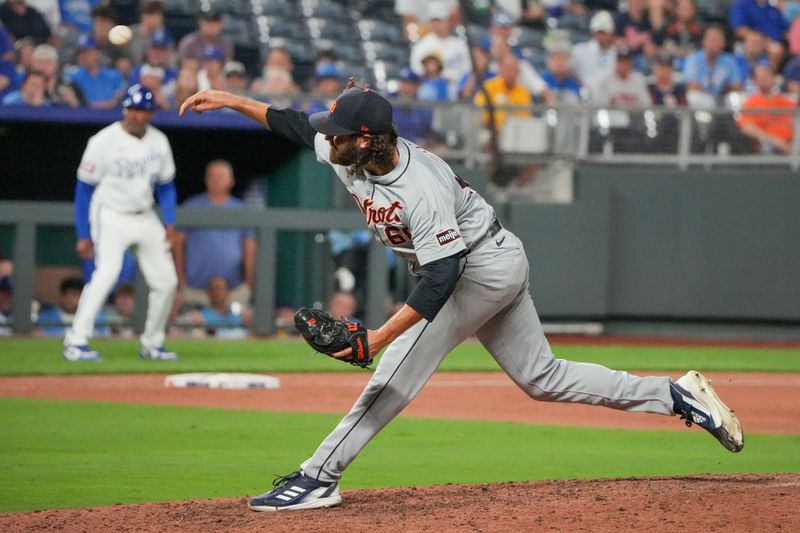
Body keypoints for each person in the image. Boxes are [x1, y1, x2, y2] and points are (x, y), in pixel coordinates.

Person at [179, 79, 744, 512]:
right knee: (542, 378)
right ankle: (676, 396)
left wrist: (376, 337)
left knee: (393, 371)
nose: (330, 137)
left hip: (481, 268)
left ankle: (318, 476)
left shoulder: (419, 187)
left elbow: (442, 277)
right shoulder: (343, 149)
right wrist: (230, 100)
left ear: (369, 139)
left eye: (341, 131)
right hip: (490, 258)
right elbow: (295, 125)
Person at [63, 84, 179, 362]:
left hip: (145, 215)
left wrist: (170, 222)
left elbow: (166, 187)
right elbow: (84, 190)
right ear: (125, 109)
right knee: (106, 274)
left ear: (150, 113)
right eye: (133, 109)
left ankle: (152, 343)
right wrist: (83, 233)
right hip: (111, 214)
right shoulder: (102, 141)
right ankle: (76, 341)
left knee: (167, 281)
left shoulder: (159, 141)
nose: (137, 115)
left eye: (143, 111)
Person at [175, 159, 256, 307]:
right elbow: (177, 244)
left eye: (221, 176)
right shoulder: (191, 206)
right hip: (195, 290)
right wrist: (180, 279)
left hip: (233, 291)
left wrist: (249, 284)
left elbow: (249, 249)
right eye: (213, 176)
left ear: (231, 181)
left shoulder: (241, 210)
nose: (217, 180)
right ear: (206, 180)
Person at [736, 63, 797, 154]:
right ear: (755, 81)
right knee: (768, 149)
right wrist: (775, 141)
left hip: (791, 145)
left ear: (773, 77)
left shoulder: (787, 102)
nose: (763, 79)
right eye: (760, 77)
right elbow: (746, 127)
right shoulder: (751, 103)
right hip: (766, 147)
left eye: (766, 76)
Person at [64, 34, 125, 109]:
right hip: (83, 118)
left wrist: (112, 102)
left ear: (98, 53)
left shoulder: (113, 75)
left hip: (111, 117)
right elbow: (74, 103)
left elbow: (120, 96)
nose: (84, 56)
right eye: (81, 53)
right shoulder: (72, 76)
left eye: (88, 52)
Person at [570, 10, 617, 86]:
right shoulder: (579, 50)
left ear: (611, 33)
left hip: (610, 93)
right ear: (593, 32)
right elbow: (568, 70)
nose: (602, 36)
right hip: (584, 92)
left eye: (605, 33)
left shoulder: (616, 53)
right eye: (599, 32)